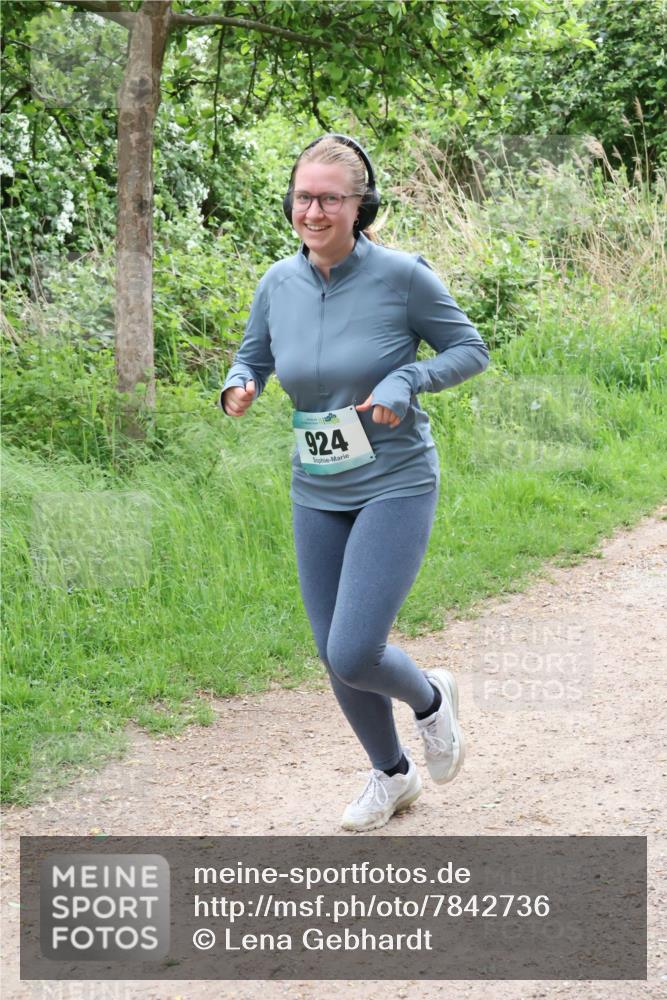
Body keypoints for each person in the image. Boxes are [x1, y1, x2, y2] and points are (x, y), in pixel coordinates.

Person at [220, 134, 489, 832]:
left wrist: (408, 375)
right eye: (303, 197)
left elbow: (468, 349)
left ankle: (430, 699)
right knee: (329, 650)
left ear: (359, 205)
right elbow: (254, 354)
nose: (313, 210)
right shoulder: (277, 281)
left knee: (353, 648)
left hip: (392, 479)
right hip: (317, 482)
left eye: (329, 198)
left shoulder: (401, 276)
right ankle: (392, 774)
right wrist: (240, 382)